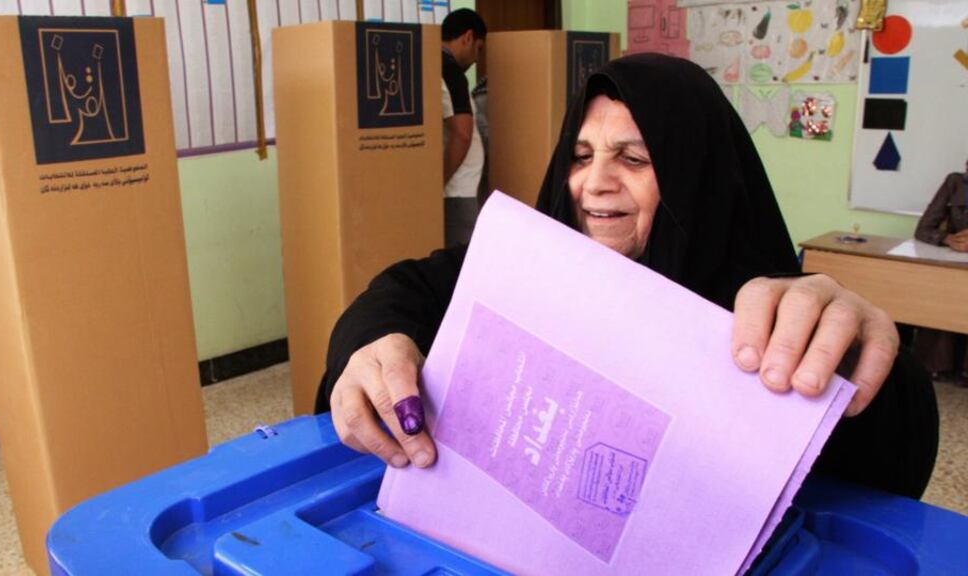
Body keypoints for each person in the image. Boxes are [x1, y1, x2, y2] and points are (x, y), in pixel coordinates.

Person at [317, 54, 938, 499]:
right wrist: (373, 346)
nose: (595, 184)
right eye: (581, 156)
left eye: (634, 159)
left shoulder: (755, 310)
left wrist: (855, 347)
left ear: (695, 174)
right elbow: (407, 290)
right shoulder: (540, 263)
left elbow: (885, 463)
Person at [912, 159, 968, 384]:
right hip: (951, 268)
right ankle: (938, 366)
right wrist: (947, 239)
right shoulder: (954, 183)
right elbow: (923, 229)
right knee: (941, 298)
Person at [440, 9, 486, 247]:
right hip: (456, 190)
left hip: (456, 189)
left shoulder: (431, 64)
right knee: (460, 264)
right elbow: (462, 132)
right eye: (478, 48)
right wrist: (440, 180)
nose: (477, 59)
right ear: (467, 37)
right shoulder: (450, 71)